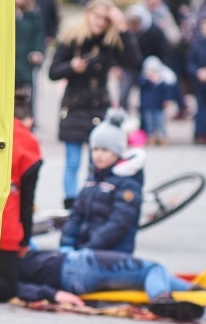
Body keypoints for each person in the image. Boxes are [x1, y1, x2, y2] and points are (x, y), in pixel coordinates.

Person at [48, 0, 141, 209]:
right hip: (74, 105)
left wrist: (122, 27)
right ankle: (71, 205)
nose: (100, 22)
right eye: (97, 16)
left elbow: (134, 61)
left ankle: (92, 202)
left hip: (100, 106)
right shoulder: (72, 39)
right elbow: (53, 72)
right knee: (73, 161)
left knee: (97, 162)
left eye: (105, 19)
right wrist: (71, 66)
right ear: (88, 14)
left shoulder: (111, 41)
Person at [16, 248, 204, 322]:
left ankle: (197, 291)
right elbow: (10, 287)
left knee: (153, 272)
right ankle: (162, 299)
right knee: (153, 268)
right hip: (81, 264)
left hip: (75, 269)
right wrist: (53, 294)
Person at [60, 109, 143, 255]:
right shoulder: (93, 177)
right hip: (85, 250)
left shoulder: (127, 181)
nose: (99, 155)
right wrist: (67, 243)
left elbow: (119, 223)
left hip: (111, 255)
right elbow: (76, 214)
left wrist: (87, 248)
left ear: (117, 152)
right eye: (95, 149)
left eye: (105, 150)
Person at [0, 95, 42, 303]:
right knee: (7, 287)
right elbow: (27, 200)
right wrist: (25, 239)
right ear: (29, 121)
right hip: (7, 228)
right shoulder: (28, 143)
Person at [121, 4, 171, 110]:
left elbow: (163, 51)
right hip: (131, 67)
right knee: (123, 94)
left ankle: (145, 123)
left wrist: (160, 69)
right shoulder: (126, 33)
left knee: (147, 99)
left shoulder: (154, 31)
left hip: (149, 68)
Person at [14, 0, 46, 114]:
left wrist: (38, 51)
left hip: (26, 63)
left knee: (27, 98)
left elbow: (39, 34)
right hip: (10, 63)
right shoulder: (6, 14)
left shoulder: (33, 13)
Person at [139, 56, 176, 145]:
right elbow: (140, 84)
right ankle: (151, 137)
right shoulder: (145, 82)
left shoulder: (162, 82)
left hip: (159, 106)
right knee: (149, 123)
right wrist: (148, 78)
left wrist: (167, 100)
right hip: (148, 106)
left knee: (160, 122)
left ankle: (163, 137)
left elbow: (167, 93)